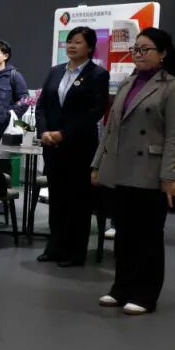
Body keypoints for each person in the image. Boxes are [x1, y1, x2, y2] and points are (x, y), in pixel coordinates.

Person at [91, 27, 175, 315]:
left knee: (148, 236)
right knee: (124, 234)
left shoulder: (174, 87)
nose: (139, 54)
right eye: (136, 49)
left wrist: (169, 176)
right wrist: (97, 164)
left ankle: (145, 294)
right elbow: (110, 129)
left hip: (150, 170)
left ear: (163, 53)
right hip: (121, 168)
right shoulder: (127, 83)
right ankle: (121, 287)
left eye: (145, 49)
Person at [35, 27, 110, 267]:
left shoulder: (97, 74)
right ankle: (54, 247)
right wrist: (43, 132)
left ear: (90, 47)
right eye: (69, 42)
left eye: (77, 42)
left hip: (79, 147)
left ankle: (75, 252)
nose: (71, 46)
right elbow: (42, 105)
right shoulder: (56, 71)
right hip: (52, 147)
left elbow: (95, 112)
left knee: (77, 201)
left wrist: (63, 134)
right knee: (57, 199)